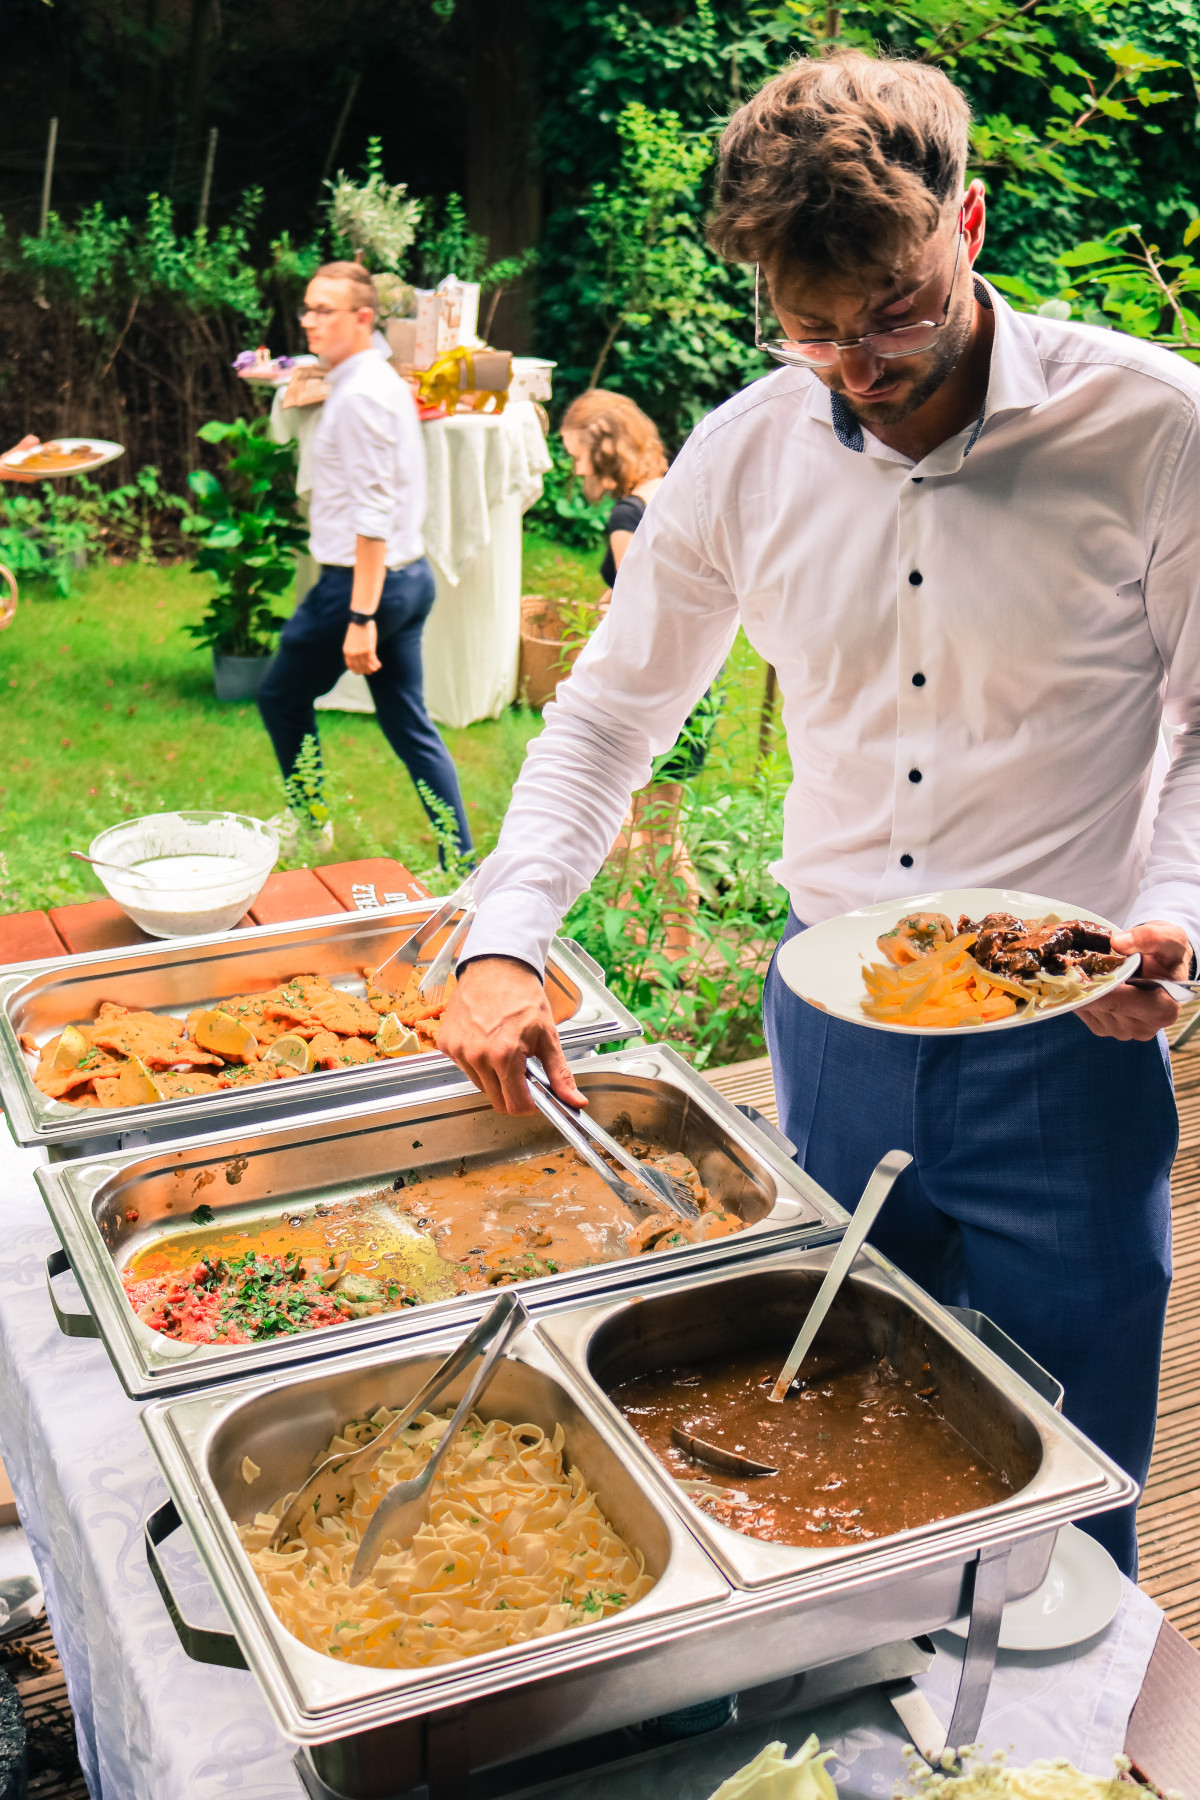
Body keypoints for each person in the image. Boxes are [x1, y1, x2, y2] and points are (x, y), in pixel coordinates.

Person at [440, 50, 1200, 1577]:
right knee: (834, 1421)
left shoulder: (1156, 426)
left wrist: (1177, 910)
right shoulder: (738, 455)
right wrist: (505, 933)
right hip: (834, 1026)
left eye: (897, 312)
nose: (859, 364)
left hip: (1070, 1029)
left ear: (969, 222)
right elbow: (607, 716)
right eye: (810, 330)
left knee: (1073, 1471)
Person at [257, 261, 472, 860]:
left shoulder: (361, 398)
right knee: (409, 727)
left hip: (360, 587)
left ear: (363, 318)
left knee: (280, 697)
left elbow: (372, 515)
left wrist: (360, 616)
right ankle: (460, 858)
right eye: (307, 308)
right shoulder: (370, 381)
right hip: (409, 579)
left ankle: (311, 820)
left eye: (324, 311)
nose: (309, 322)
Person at [561, 390, 715, 955]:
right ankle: (643, 938)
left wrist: (608, 609)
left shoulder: (628, 514)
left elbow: (643, 612)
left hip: (659, 690)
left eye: (578, 454)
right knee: (646, 822)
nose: (576, 467)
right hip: (700, 681)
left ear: (603, 450)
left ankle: (677, 951)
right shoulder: (669, 489)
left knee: (652, 826)